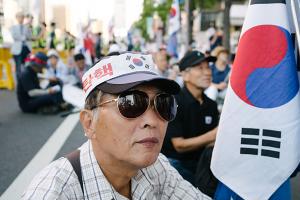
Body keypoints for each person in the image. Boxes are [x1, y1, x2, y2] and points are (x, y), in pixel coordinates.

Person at [22, 52, 211, 200]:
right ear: (89, 123)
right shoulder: (56, 192)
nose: (153, 121)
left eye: (163, 104)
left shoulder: (157, 167)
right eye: (131, 103)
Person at [161, 50, 219, 189]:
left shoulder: (211, 104)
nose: (207, 72)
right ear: (185, 75)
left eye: (208, 67)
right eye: (200, 68)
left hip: (203, 164)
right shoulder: (174, 101)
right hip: (177, 164)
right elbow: (179, 145)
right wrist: (212, 135)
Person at [10, 11, 32, 79]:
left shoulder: (26, 27)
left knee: (27, 66)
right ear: (16, 18)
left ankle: (25, 81)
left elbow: (29, 37)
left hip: (26, 49)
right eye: (19, 17)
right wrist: (24, 37)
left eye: (22, 17)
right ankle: (19, 84)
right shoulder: (13, 27)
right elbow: (15, 37)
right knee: (18, 67)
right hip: (17, 50)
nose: (21, 18)